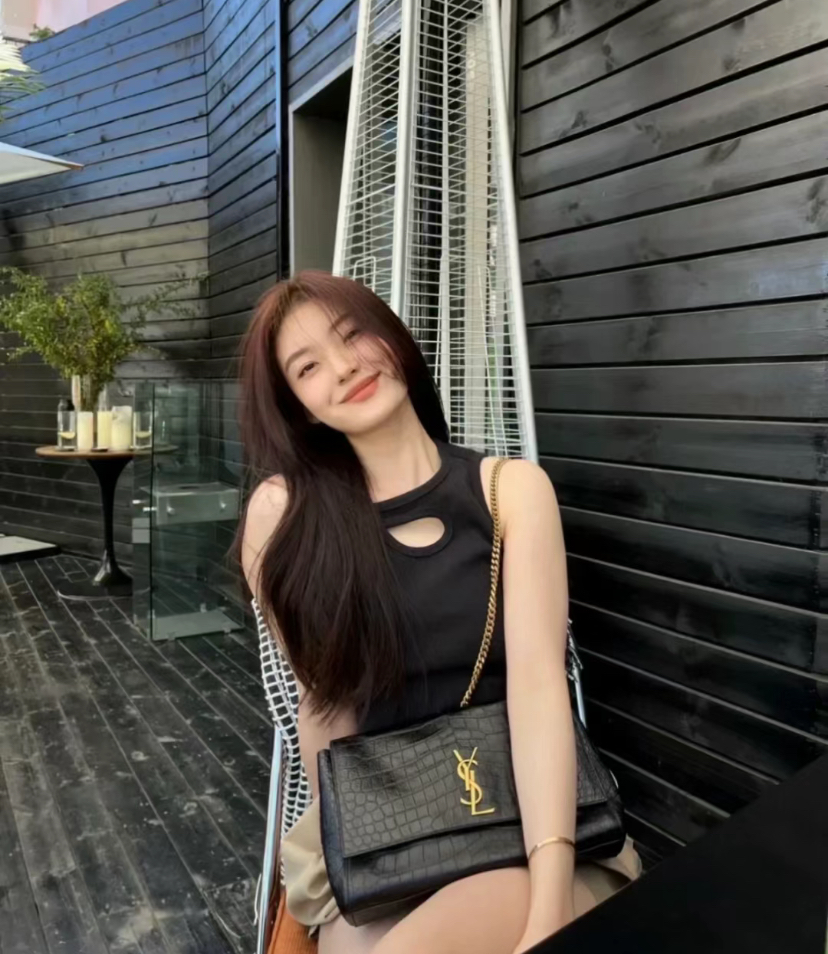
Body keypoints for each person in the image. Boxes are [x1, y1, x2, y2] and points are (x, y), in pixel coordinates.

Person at [233, 271, 640, 954]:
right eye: (308, 367)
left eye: (352, 335)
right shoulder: (288, 522)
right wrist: (354, 850)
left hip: (534, 828)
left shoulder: (510, 492)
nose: (344, 367)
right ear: (298, 407)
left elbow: (540, 690)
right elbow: (325, 706)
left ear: (393, 338)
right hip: (389, 833)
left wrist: (549, 907)